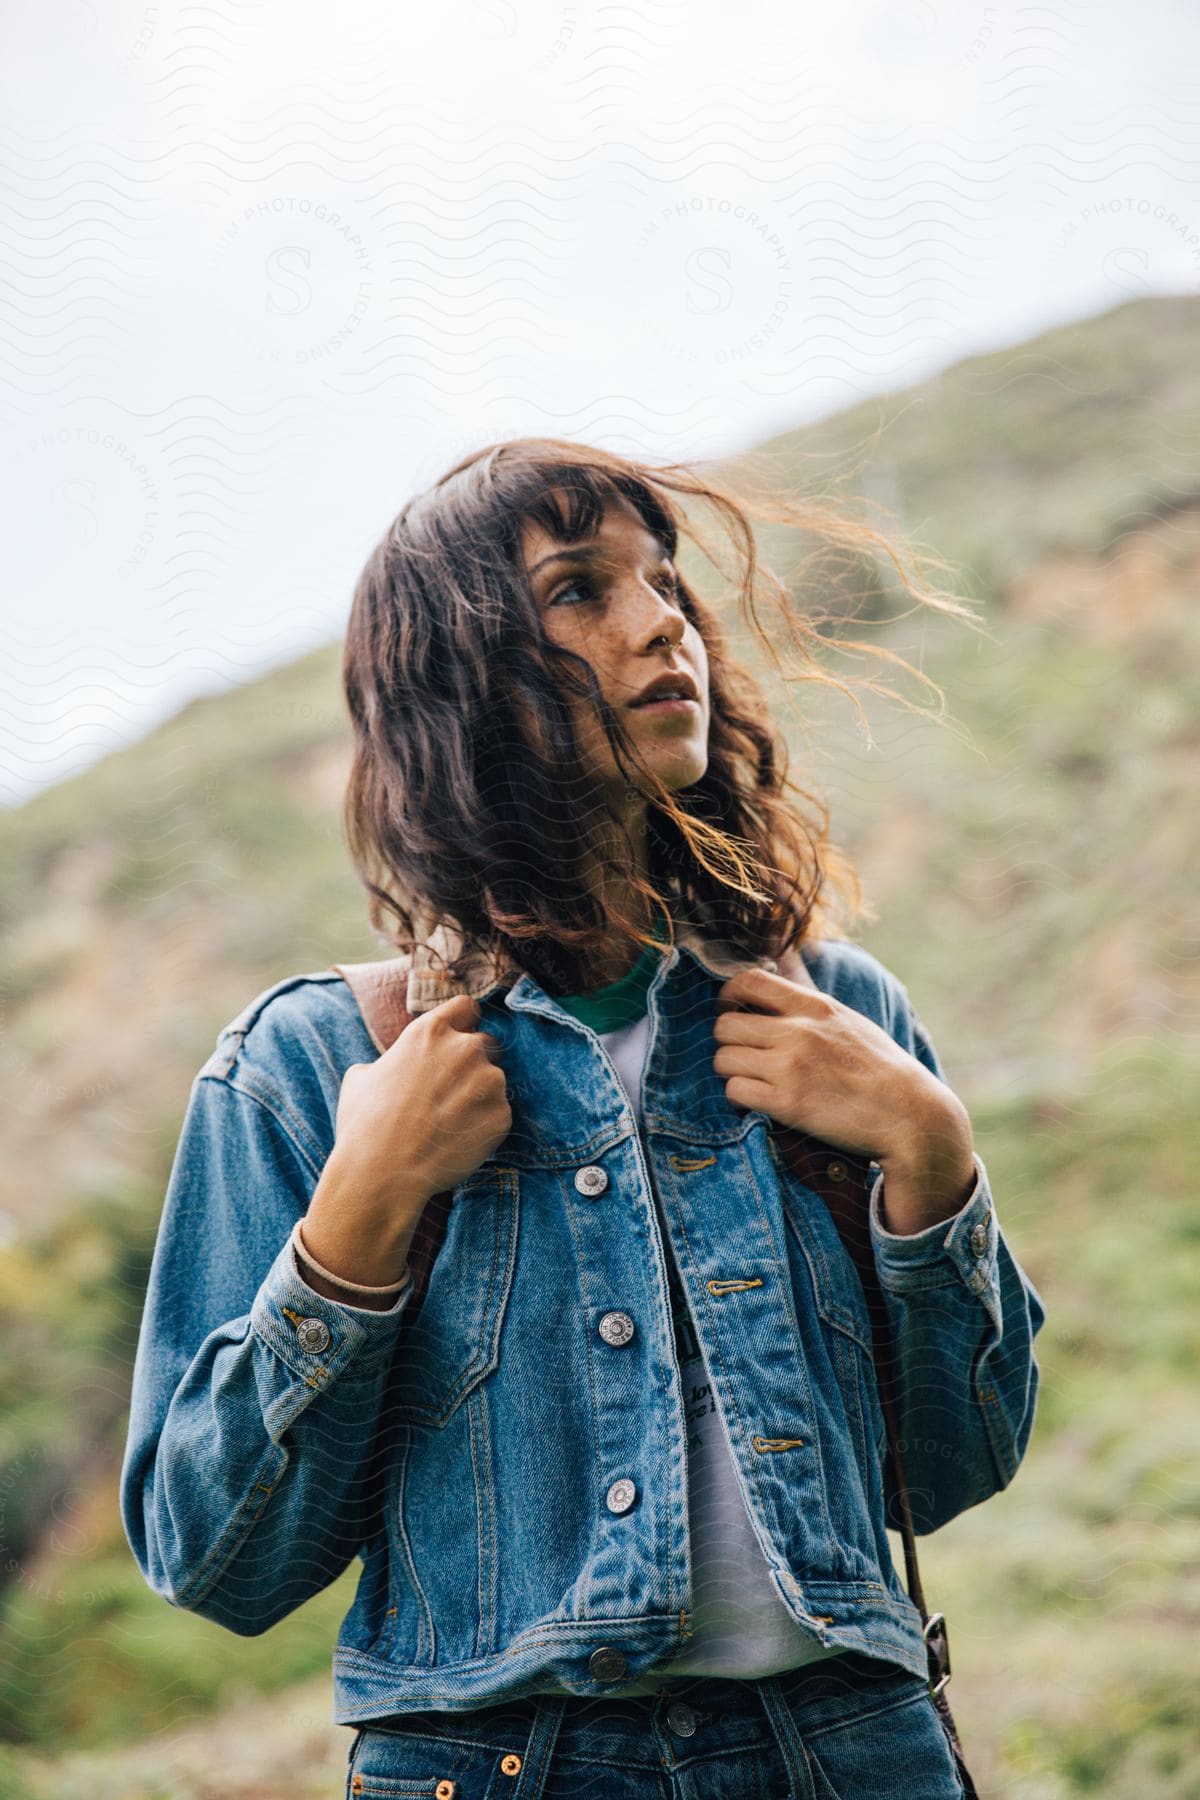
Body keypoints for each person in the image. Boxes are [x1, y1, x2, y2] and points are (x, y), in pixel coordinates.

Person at [121, 438, 1046, 1798]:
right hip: (497, 1765)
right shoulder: (311, 1064)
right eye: (578, 589)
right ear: (463, 686)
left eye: (664, 583)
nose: (663, 618)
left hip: (853, 1755)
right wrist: (355, 1222)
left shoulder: (842, 1024)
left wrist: (934, 1163)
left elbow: (957, 1470)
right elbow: (213, 1559)